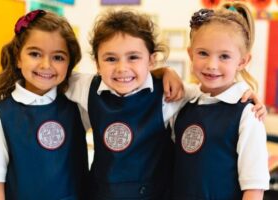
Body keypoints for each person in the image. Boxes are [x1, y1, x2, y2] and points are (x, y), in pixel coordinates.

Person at [66, 9, 267, 200]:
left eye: (133, 57)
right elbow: (54, 76)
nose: (122, 68)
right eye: (111, 59)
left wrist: (245, 93)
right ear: (97, 64)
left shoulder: (173, 95)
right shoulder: (85, 87)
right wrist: (165, 72)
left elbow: (211, 94)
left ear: (151, 60)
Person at [0, 10, 89, 200]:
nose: (46, 65)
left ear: (69, 64)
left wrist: (158, 74)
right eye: (35, 54)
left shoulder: (78, 106)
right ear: (18, 58)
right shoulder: (1, 115)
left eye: (58, 57)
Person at [172, 2, 270, 200]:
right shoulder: (183, 103)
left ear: (242, 61)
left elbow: (254, 188)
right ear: (190, 54)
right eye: (203, 53)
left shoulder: (247, 114)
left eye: (224, 56)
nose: (212, 65)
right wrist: (166, 72)